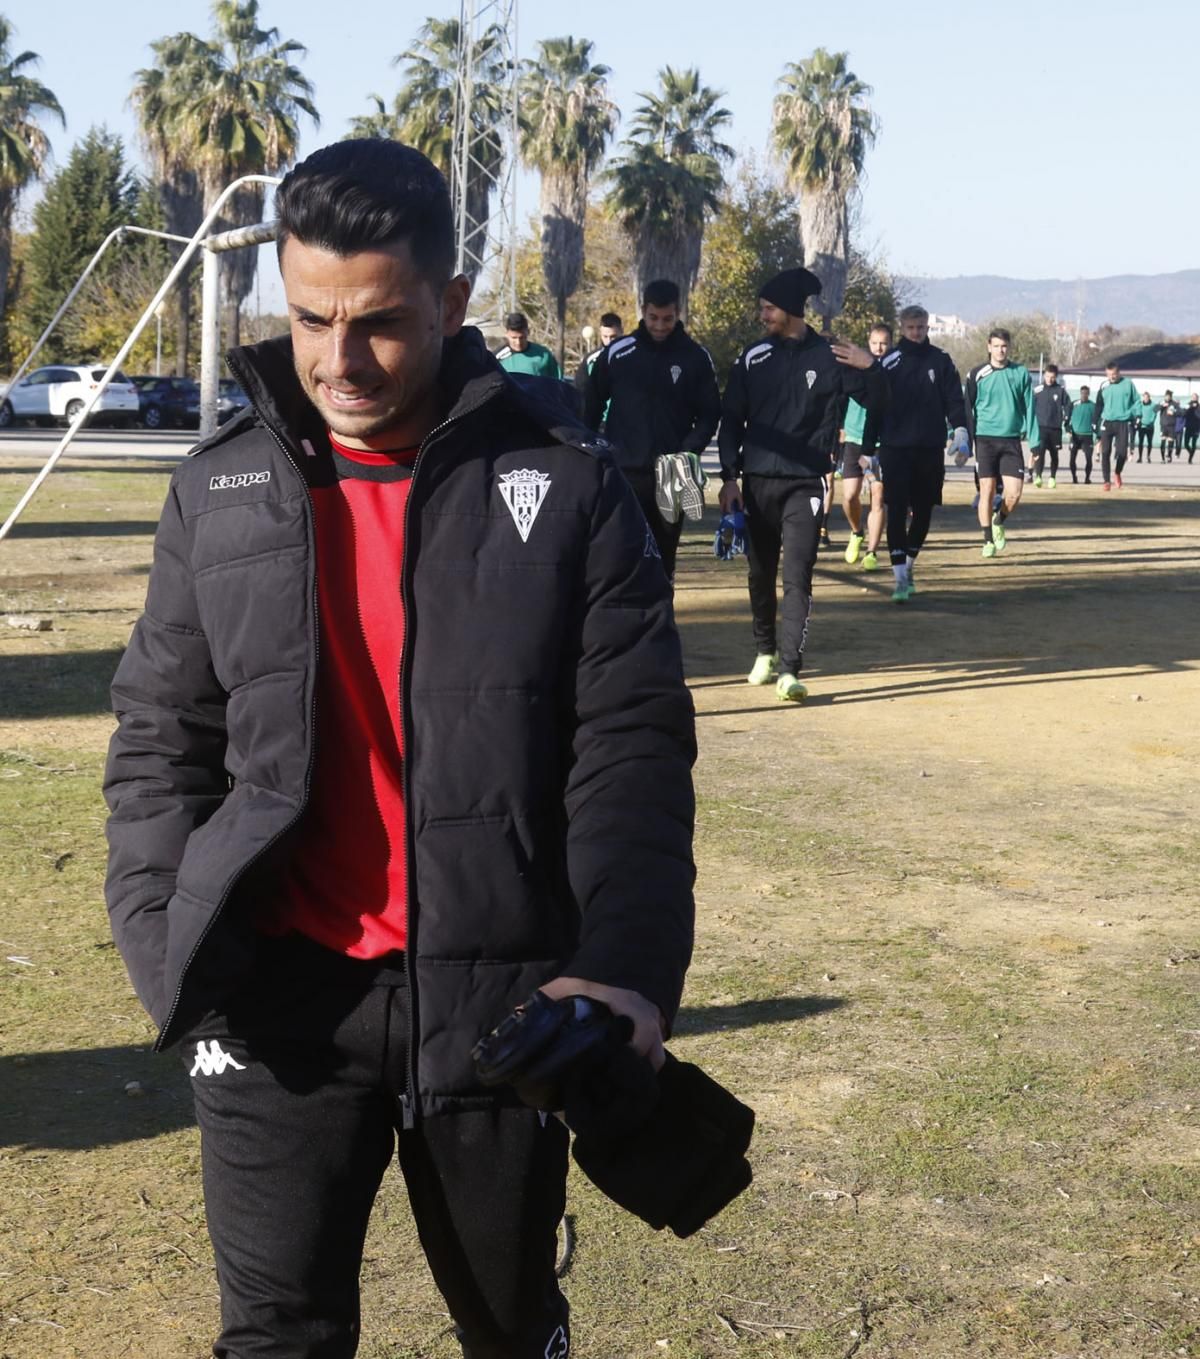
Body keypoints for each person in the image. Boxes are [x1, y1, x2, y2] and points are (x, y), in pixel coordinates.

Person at [102, 139, 697, 1359]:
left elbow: (628, 751)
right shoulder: (218, 490)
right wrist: (166, 935)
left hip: (499, 1000)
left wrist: (626, 966)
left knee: (509, 1327)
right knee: (275, 1337)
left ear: (453, 301)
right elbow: (164, 738)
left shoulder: (569, 486)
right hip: (275, 1004)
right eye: (311, 317)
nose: (336, 358)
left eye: (377, 322)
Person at [717, 267, 887, 701]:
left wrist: (873, 368)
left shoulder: (833, 355)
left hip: (806, 486)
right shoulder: (753, 356)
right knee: (759, 575)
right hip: (756, 483)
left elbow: (882, 399)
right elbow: (731, 421)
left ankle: (790, 670)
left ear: (791, 310)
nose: (762, 316)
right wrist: (730, 478)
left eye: (768, 309)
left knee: (797, 576)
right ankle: (765, 651)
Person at [583, 279, 719, 579]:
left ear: (678, 312)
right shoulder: (619, 352)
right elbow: (590, 404)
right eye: (653, 318)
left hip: (672, 476)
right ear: (642, 311)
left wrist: (687, 453)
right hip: (624, 472)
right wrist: (589, 452)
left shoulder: (696, 357)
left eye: (667, 319)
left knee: (663, 559)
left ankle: (661, 622)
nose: (660, 326)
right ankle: (625, 623)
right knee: (622, 554)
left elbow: (710, 415)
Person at [869, 304, 969, 601]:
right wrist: (867, 450)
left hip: (929, 448)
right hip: (894, 449)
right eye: (911, 328)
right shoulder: (887, 362)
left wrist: (961, 429)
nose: (916, 333)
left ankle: (909, 563)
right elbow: (874, 408)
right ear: (902, 328)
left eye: (921, 327)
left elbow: (954, 399)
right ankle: (899, 577)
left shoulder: (940, 361)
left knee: (924, 512)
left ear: (928, 327)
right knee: (896, 511)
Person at [964, 328, 1038, 558]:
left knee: (1014, 493)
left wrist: (1035, 444)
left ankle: (999, 520)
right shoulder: (977, 373)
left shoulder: (1021, 373)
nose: (1000, 350)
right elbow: (967, 409)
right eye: (996, 346)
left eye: (1004, 346)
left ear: (1009, 347)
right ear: (989, 347)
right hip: (985, 439)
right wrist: (964, 439)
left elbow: (1030, 408)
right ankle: (987, 539)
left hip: (1011, 440)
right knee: (986, 490)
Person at [840, 322, 892, 572]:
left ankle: (871, 552)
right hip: (853, 438)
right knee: (849, 496)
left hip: (881, 443)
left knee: (878, 495)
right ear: (868, 343)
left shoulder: (892, 371)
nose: (879, 348)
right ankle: (856, 531)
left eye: (883, 343)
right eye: (875, 343)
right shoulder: (854, 366)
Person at [1094, 360, 1140, 489]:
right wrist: (1094, 421)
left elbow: (1136, 401)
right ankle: (1106, 481)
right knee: (1105, 452)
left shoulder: (1128, 384)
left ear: (1118, 373)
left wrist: (1138, 415)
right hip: (1107, 422)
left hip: (1122, 422)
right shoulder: (1104, 385)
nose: (1111, 377)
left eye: (1113, 374)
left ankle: (1117, 472)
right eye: (1108, 374)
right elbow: (1099, 405)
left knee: (1122, 453)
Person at [1031, 363, 1072, 487]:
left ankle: (1052, 478)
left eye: (1052, 377)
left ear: (1056, 377)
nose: (1050, 379)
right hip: (1041, 427)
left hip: (1055, 428)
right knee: (1040, 453)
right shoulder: (1037, 390)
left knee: (1054, 454)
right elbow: (1030, 406)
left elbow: (1068, 405)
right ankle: (1038, 476)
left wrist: (1066, 417)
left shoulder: (1060, 390)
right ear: (1044, 375)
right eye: (1048, 376)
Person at [495, 310, 561, 379]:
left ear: (528, 332)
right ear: (506, 334)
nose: (518, 342)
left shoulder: (544, 355)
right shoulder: (498, 357)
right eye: (514, 338)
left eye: (522, 337)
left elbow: (558, 383)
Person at [574, 312, 623, 392]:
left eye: (613, 336)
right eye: (605, 336)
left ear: (621, 331)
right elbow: (579, 389)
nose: (609, 341)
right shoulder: (591, 360)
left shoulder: (633, 355)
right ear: (600, 333)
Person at [1067, 385, 1096, 483]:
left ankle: (1087, 478)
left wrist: (1098, 434)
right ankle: (1074, 477)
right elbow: (1067, 418)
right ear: (1080, 393)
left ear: (1089, 394)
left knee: (1088, 458)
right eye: (1082, 393)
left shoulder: (1093, 406)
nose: (1084, 395)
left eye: (1086, 393)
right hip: (1075, 435)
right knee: (1072, 458)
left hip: (1087, 436)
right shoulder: (1074, 404)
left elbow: (1097, 420)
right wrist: (1068, 429)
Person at [1134, 391, 1157, 463]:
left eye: (1147, 397)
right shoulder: (1140, 404)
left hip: (1150, 427)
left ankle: (1148, 456)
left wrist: (1151, 422)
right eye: (1144, 397)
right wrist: (1138, 422)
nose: (1146, 398)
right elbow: (1137, 412)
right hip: (1142, 426)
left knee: (1149, 442)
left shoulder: (1153, 405)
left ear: (1149, 397)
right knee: (1140, 442)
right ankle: (1140, 457)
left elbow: (1154, 414)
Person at [1158, 389, 1179, 462]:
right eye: (1166, 396)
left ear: (1171, 397)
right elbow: (1155, 409)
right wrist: (1162, 406)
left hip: (1171, 426)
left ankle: (1169, 456)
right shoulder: (1162, 402)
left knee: (1170, 443)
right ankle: (1163, 458)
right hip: (1163, 426)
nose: (1167, 397)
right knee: (1163, 442)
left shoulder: (1174, 404)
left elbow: (1181, 412)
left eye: (1169, 396)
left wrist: (1174, 413)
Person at [1184, 394, 1199, 462]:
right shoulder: (1188, 405)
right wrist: (1191, 407)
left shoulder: (1199, 407)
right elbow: (1184, 413)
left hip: (1196, 428)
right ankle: (1191, 453)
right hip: (1188, 427)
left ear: (1197, 398)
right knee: (1186, 444)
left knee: (1193, 444)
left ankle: (1190, 459)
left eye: (1195, 397)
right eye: (1193, 397)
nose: (1194, 398)